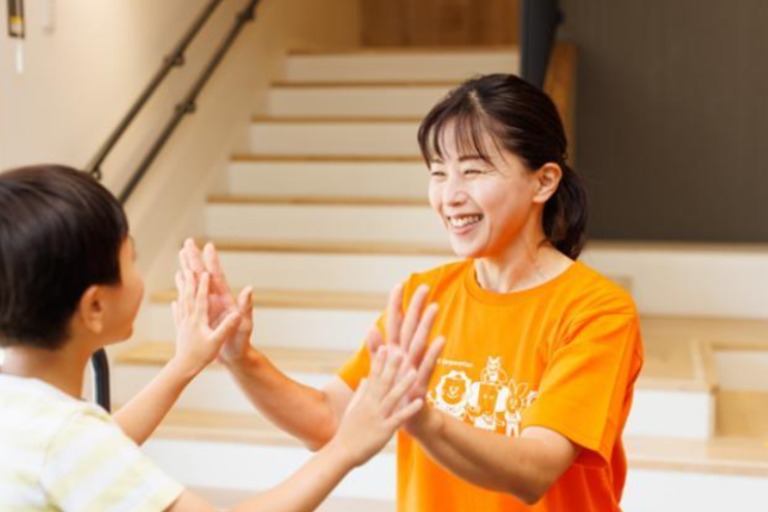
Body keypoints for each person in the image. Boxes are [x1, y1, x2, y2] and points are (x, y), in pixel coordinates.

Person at [183, 73, 644, 511]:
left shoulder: (597, 311)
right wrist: (241, 358)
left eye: (474, 170)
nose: (450, 195)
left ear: (543, 181)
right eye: (439, 172)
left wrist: (424, 420)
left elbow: (535, 469)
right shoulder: (424, 295)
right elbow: (327, 422)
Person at [0, 164, 438, 512]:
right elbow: (88, 449)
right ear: (95, 307)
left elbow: (100, 445)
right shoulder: (69, 440)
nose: (139, 273)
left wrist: (185, 363)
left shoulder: (26, 408)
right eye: (132, 259)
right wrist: (346, 447)